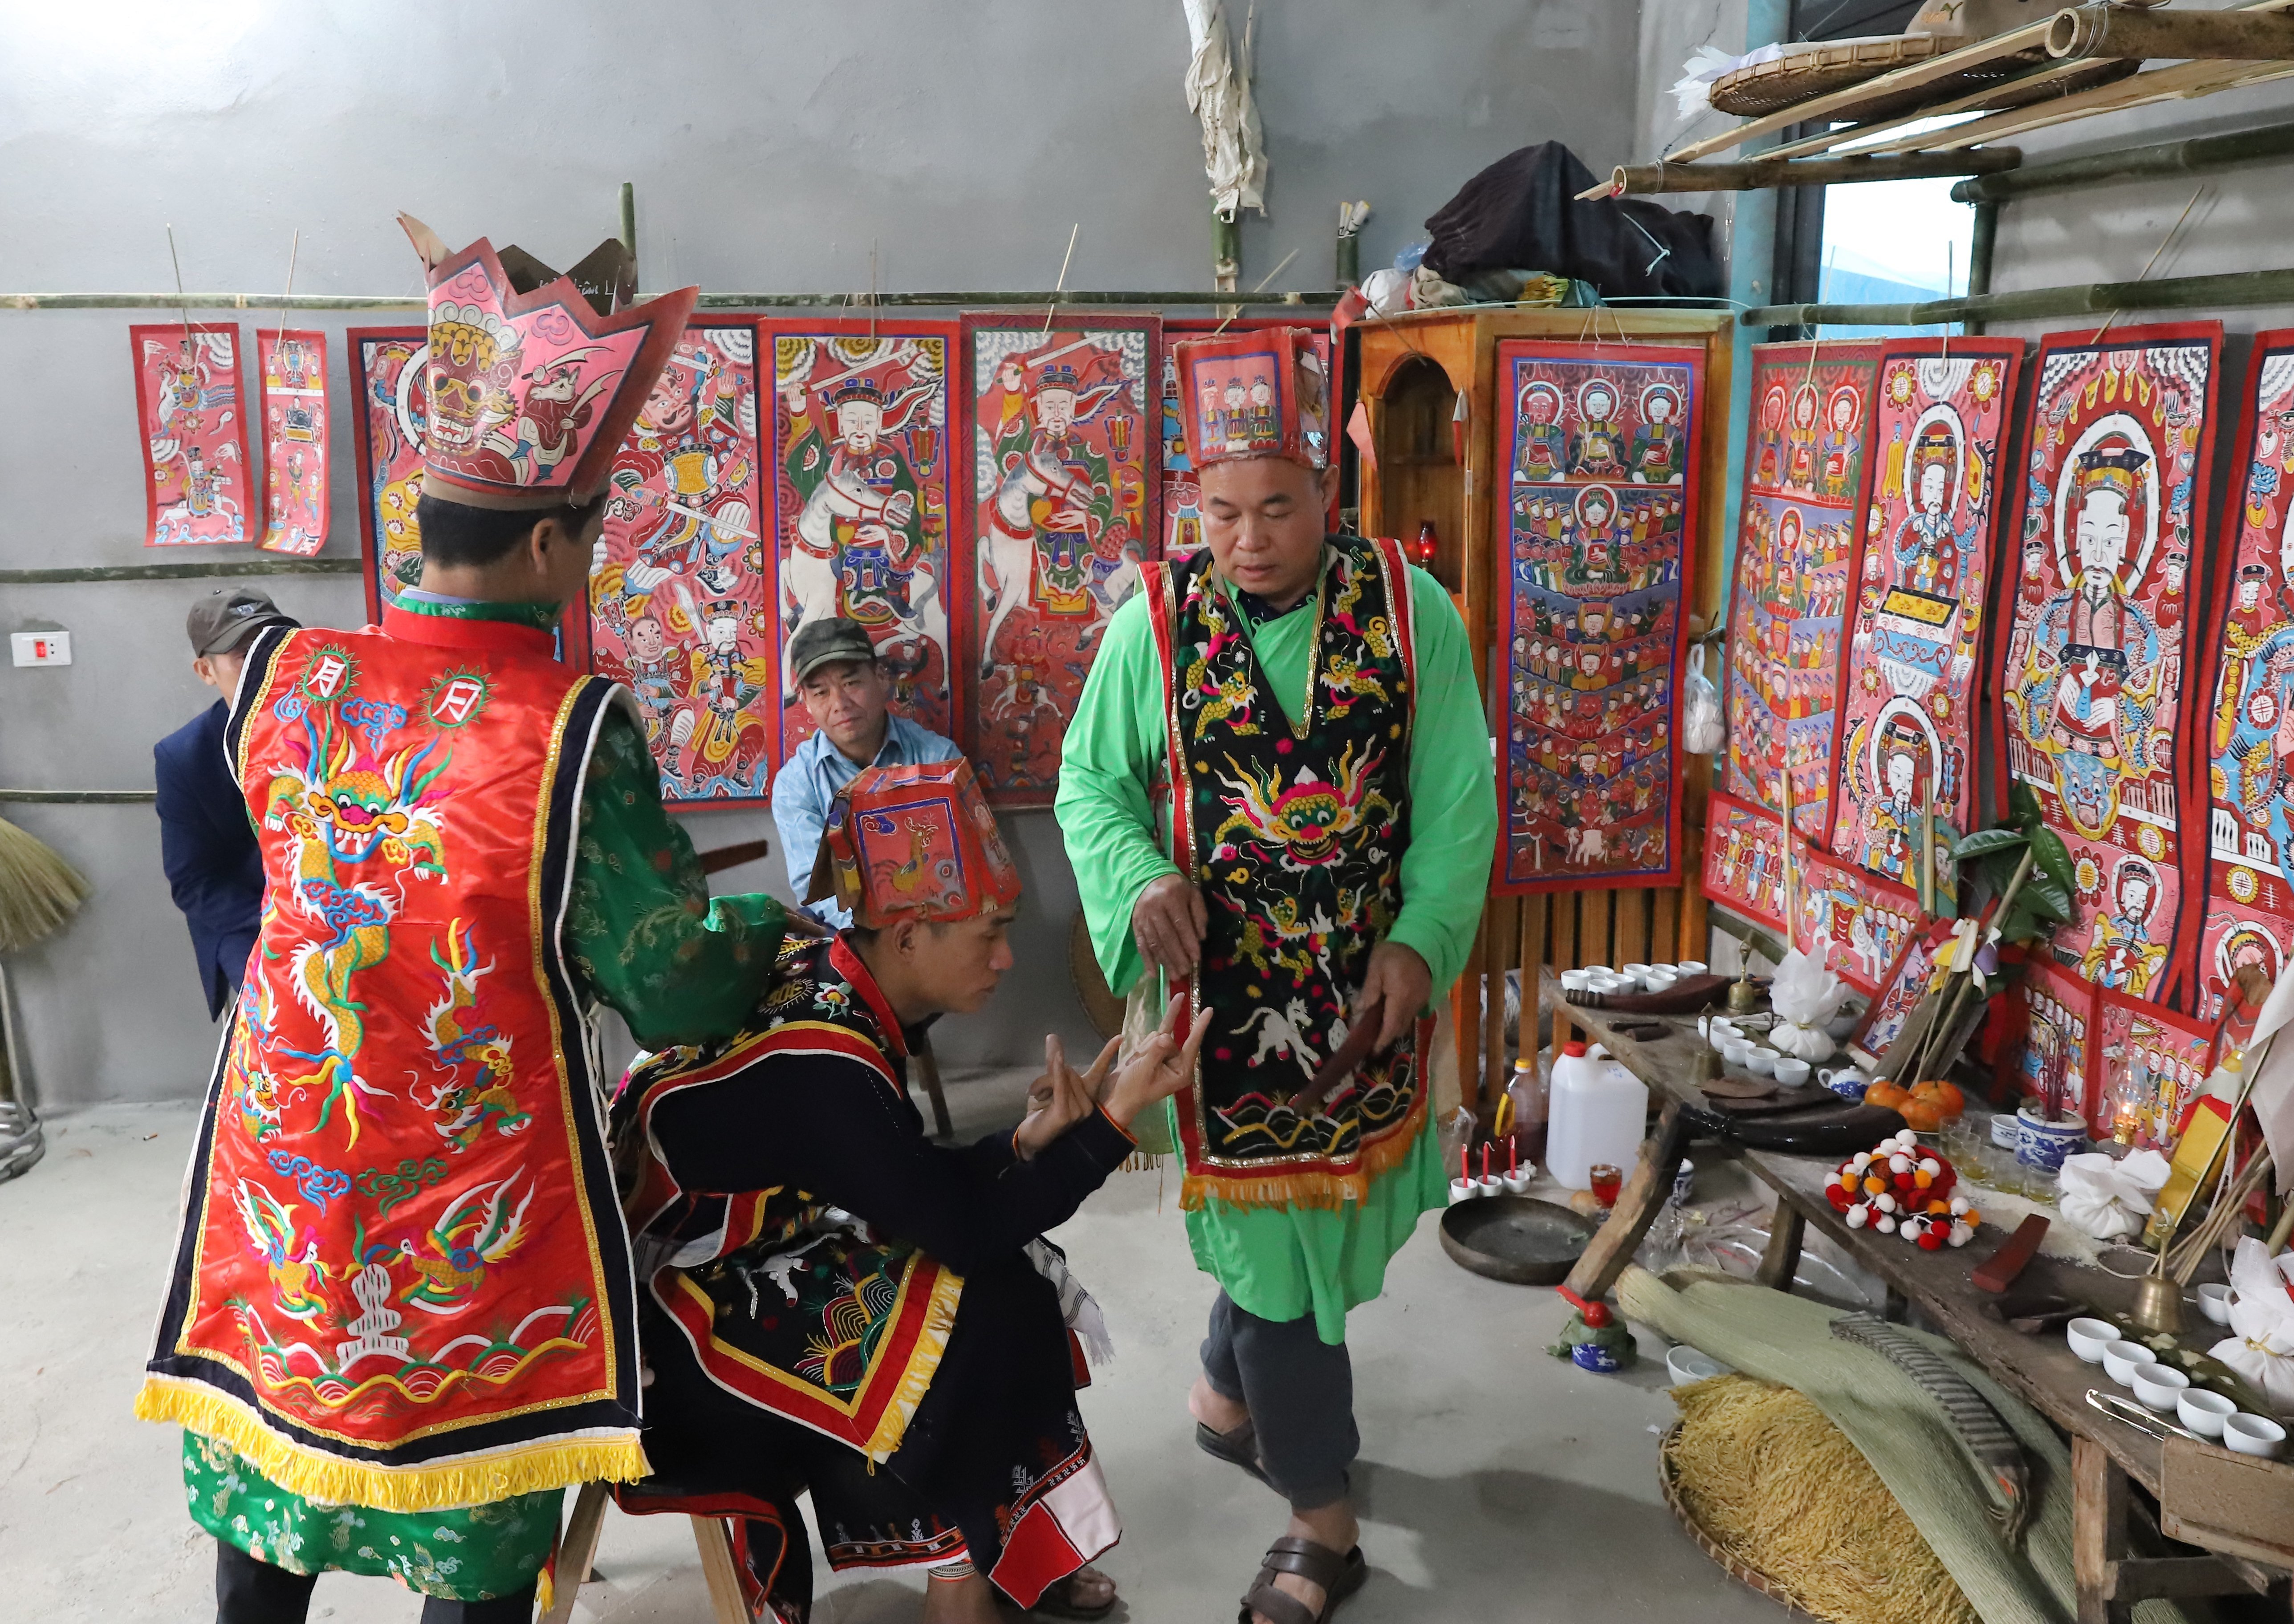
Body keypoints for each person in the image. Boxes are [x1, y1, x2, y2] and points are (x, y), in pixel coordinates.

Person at [137, 215, 789, 1624]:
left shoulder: (285, 677)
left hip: (290, 1177)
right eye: (600, 528)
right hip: (466, 1204)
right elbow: (669, 980)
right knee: (470, 1512)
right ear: (554, 538)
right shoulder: (570, 726)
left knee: (274, 1485)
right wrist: (773, 938)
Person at [1055, 326, 1497, 1624]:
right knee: (1275, 1257)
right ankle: (1323, 1518)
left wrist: (1420, 939)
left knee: (1295, 1245)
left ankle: (1223, 1395)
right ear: (1193, 508)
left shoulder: (1411, 612)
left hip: (1366, 999)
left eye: (1279, 507)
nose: (1248, 539)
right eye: (1222, 512)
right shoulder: (1155, 621)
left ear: (1329, 494)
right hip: (1224, 1013)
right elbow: (1092, 779)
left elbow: (1456, 796)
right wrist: (1139, 874)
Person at [613, 758, 1206, 1623]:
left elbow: (905, 1181)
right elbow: (960, 1230)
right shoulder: (827, 1058)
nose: (1006, 958)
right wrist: (1108, 1127)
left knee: (1009, 1284)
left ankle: (985, 1554)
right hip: (669, 1332)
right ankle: (965, 1576)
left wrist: (1024, 1142)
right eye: (986, 932)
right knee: (979, 1306)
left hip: (733, 1258)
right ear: (907, 938)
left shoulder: (829, 979)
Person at [155, 587, 301, 1019]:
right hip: (250, 921)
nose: (268, 669)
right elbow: (195, 883)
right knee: (280, 1018)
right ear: (206, 671)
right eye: (244, 657)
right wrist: (286, 924)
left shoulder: (340, 730)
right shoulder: (185, 756)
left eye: (276, 650)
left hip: (345, 915)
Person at [771, 615, 961, 929]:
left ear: (882, 677)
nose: (839, 704)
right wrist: (882, 933)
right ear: (804, 701)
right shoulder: (796, 784)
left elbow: (958, 865)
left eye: (851, 683)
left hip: (936, 925)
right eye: (820, 692)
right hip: (852, 933)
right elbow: (817, 891)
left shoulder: (938, 760)